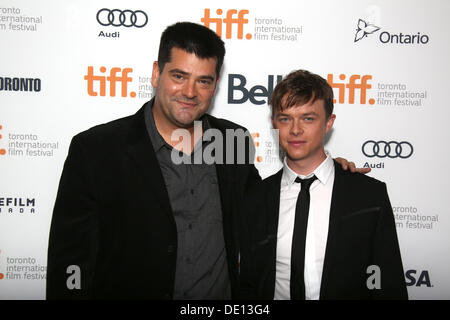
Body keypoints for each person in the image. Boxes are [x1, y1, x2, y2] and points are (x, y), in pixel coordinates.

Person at [46, 22, 367, 300]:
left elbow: (267, 204)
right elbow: (71, 263)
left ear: (215, 84)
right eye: (179, 76)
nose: (189, 91)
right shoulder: (97, 151)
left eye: (203, 80)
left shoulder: (233, 141)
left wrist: (323, 169)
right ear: (157, 73)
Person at [239, 69, 407, 300]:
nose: (295, 129)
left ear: (329, 122)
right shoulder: (255, 198)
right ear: (274, 123)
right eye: (285, 118)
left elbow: (388, 283)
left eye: (308, 118)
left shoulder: (368, 195)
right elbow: (247, 283)